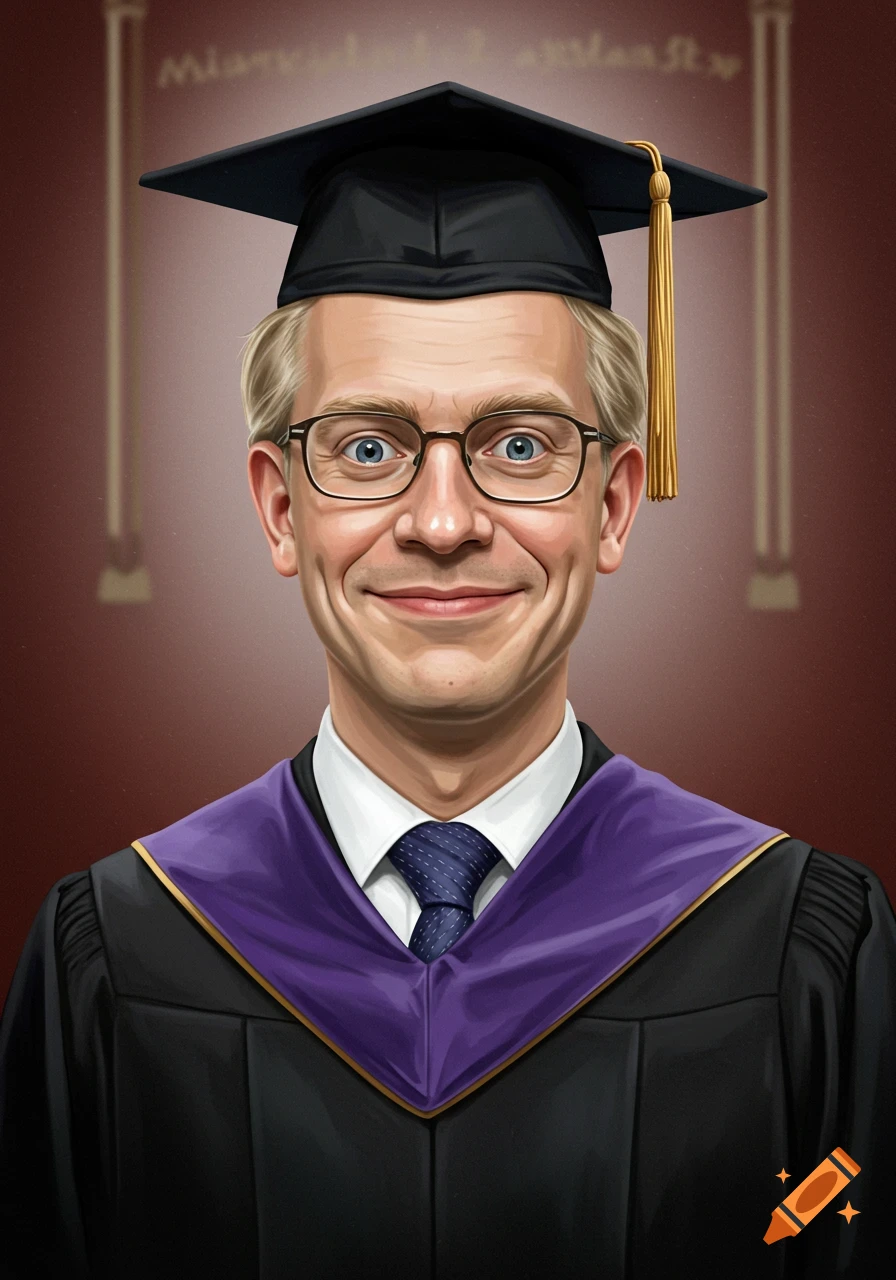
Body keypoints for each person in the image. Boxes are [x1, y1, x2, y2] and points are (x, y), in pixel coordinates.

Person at [1, 83, 894, 1280]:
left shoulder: (796, 946)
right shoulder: (112, 952)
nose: (440, 519)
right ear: (279, 506)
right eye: (365, 447)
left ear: (614, 501)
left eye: (518, 444)